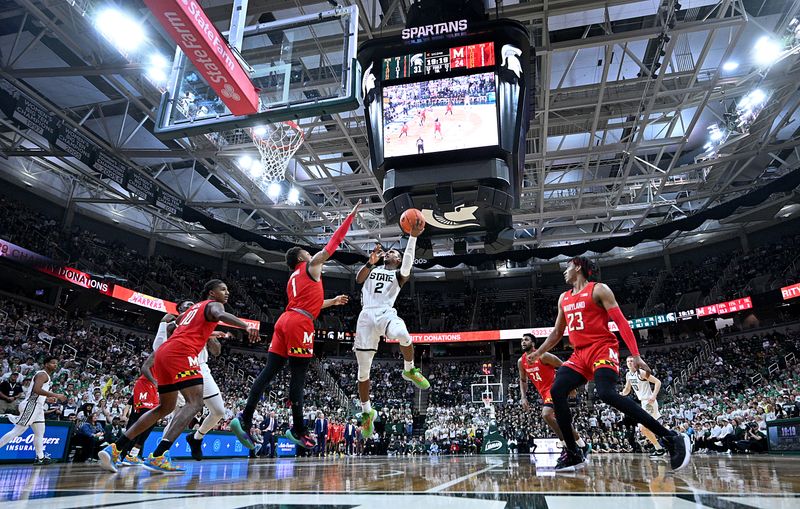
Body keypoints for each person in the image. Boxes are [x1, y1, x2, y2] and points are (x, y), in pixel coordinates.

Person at [526, 257, 691, 472]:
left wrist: (636, 355)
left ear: (578, 267)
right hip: (579, 354)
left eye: (567, 267)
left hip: (602, 348)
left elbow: (621, 322)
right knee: (557, 390)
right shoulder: (563, 298)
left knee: (605, 393)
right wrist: (539, 352)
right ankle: (573, 452)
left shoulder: (599, 290)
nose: (564, 272)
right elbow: (558, 332)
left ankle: (671, 438)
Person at [231, 201, 361, 451]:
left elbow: (306, 304)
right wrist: (350, 218)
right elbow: (332, 245)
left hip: (285, 320)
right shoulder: (311, 266)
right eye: (307, 253)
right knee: (298, 375)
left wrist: (331, 302)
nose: (312, 255)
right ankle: (298, 428)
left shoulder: (293, 277)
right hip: (299, 323)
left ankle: (244, 418)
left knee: (268, 373)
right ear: (302, 257)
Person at [98, 280, 258, 473]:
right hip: (183, 354)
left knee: (165, 407)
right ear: (211, 293)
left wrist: (210, 333)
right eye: (223, 289)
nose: (227, 292)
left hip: (164, 353)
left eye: (228, 289)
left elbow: (175, 327)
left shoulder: (190, 311)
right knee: (195, 403)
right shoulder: (213, 305)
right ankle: (158, 456)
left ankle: (115, 448)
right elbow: (220, 314)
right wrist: (245, 326)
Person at [354, 223, 430, 439]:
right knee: (363, 371)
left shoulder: (399, 274)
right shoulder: (373, 270)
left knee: (405, 335)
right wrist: (370, 262)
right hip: (366, 316)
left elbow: (407, 262)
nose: (390, 253)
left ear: (397, 259)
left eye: (394, 252)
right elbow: (359, 279)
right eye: (389, 252)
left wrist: (412, 237)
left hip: (386, 313)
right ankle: (367, 411)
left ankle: (409, 369)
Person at [518, 333, 588, 454]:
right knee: (562, 421)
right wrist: (523, 397)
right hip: (544, 393)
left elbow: (564, 366)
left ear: (533, 343)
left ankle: (566, 446)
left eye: (526, 340)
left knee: (546, 415)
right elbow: (523, 380)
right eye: (522, 340)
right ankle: (582, 445)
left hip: (556, 389)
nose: (523, 342)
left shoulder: (543, 356)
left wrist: (570, 386)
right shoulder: (521, 361)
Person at [0, 356, 66, 465]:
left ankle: (40, 457)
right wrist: (56, 395)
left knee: (40, 432)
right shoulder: (42, 374)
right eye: (53, 363)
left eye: (56, 363)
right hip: (31, 405)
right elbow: (36, 389)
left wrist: (47, 398)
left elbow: (37, 392)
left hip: (37, 406)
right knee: (18, 431)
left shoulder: (46, 376)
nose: (55, 365)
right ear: (46, 364)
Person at [621, 355, 666, 458]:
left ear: (636, 362)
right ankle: (661, 446)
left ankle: (662, 445)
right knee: (648, 428)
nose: (629, 363)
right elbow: (627, 389)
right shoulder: (628, 375)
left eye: (631, 361)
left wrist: (654, 395)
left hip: (649, 402)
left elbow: (658, 382)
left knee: (642, 426)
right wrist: (620, 395)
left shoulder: (641, 372)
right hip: (643, 403)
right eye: (628, 361)